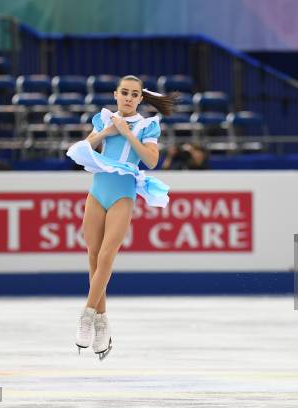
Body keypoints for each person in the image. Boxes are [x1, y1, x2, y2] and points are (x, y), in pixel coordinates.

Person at [66, 75, 175, 359]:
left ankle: (87, 316)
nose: (128, 97)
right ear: (116, 95)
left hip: (123, 194)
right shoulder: (103, 119)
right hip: (98, 191)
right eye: (124, 92)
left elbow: (151, 161)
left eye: (133, 94)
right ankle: (103, 322)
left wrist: (127, 133)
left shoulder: (147, 125)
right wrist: (108, 131)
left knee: (106, 256)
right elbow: (84, 148)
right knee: (92, 256)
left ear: (140, 98)